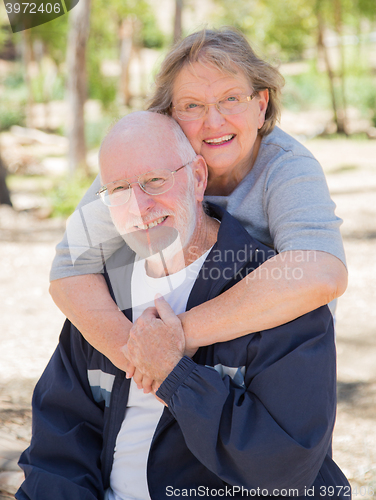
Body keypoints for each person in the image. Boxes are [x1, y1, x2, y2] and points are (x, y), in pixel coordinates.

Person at [17, 112, 350, 500]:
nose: (140, 206)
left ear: (197, 178)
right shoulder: (103, 296)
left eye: (155, 181)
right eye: (119, 189)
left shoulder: (276, 295)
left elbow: (285, 468)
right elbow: (58, 447)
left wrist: (176, 377)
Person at [49, 27, 348, 380]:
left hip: (267, 366)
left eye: (232, 99)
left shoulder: (287, 167)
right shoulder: (143, 167)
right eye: (192, 106)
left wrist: (176, 335)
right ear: (169, 115)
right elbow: (71, 266)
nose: (214, 121)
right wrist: (135, 355)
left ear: (261, 105)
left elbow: (322, 271)